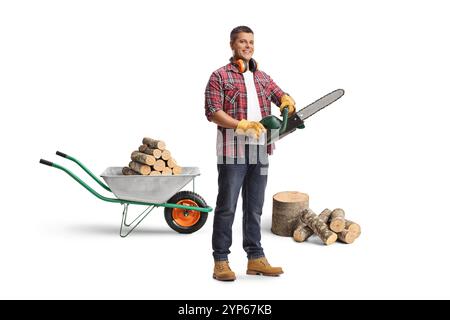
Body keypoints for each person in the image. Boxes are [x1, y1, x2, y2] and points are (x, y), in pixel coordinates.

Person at [204, 26, 297, 281]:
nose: (248, 46)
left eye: (251, 42)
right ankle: (220, 261)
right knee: (227, 208)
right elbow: (213, 112)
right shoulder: (220, 76)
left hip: (261, 150)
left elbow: (280, 96)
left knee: (254, 208)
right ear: (232, 45)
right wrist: (240, 124)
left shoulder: (263, 77)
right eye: (243, 42)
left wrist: (287, 100)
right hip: (232, 152)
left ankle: (256, 258)